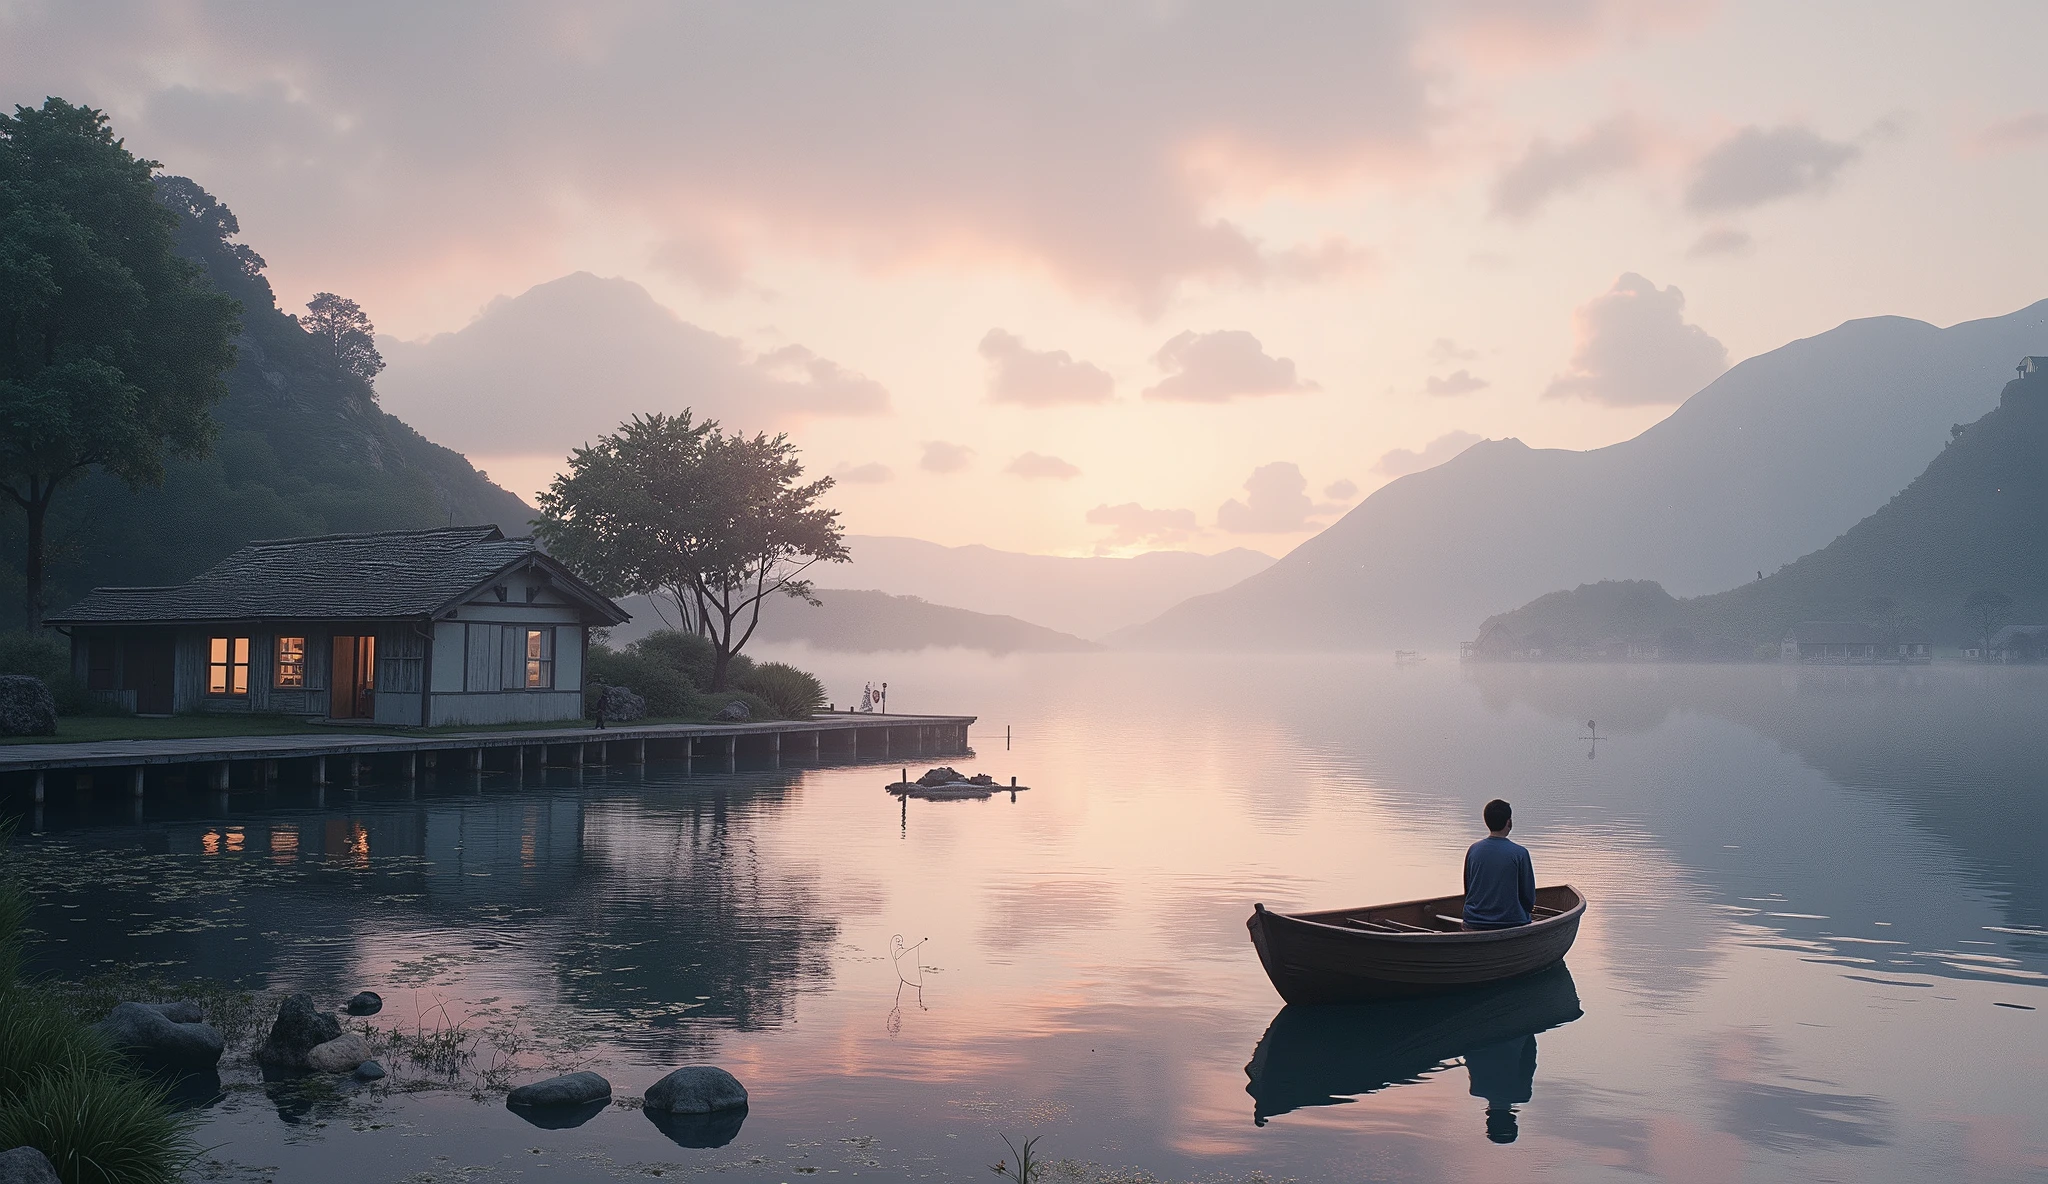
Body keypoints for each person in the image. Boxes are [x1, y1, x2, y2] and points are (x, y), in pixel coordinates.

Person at [1463, 798, 1535, 929]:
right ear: (1509, 822)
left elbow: (1468, 890)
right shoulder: (1520, 853)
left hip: (1473, 920)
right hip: (1512, 922)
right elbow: (1528, 898)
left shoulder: (1473, 850)